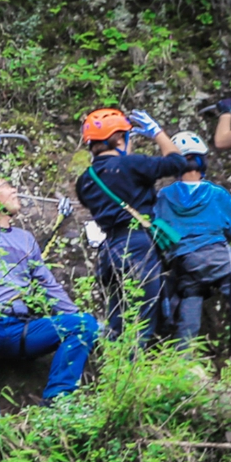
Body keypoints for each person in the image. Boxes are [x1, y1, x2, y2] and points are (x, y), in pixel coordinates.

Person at [0, 170, 99, 413]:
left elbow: (48, 286)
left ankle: (56, 401)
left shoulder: (25, 240)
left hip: (21, 329)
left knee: (84, 324)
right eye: (5, 185)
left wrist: (76, 316)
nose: (14, 190)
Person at [72, 107, 184, 347]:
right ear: (119, 139)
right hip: (139, 246)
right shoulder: (132, 165)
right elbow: (177, 162)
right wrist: (157, 132)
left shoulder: (85, 180)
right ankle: (136, 373)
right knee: (142, 322)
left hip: (110, 251)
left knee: (117, 321)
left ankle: (112, 376)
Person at [153, 132, 231, 348]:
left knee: (188, 307)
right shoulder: (216, 193)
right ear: (202, 161)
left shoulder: (163, 197)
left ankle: (184, 359)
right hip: (220, 258)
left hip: (185, 263)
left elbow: (158, 230)